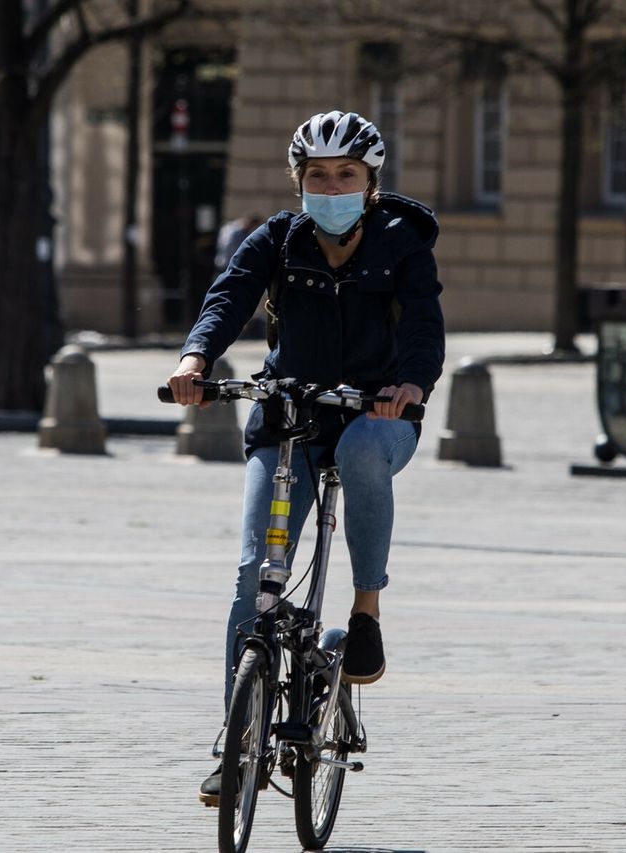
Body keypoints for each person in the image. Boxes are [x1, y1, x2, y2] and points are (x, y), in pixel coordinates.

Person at [164, 110, 445, 806]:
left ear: (370, 182)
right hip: (289, 413)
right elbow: (229, 294)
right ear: (300, 182)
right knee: (254, 569)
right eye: (317, 175)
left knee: (359, 453)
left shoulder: (401, 242)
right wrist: (196, 356)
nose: (330, 185)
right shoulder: (279, 240)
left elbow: (425, 320)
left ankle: (367, 613)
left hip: (376, 414)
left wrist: (410, 382)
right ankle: (235, 745)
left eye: (345, 174)